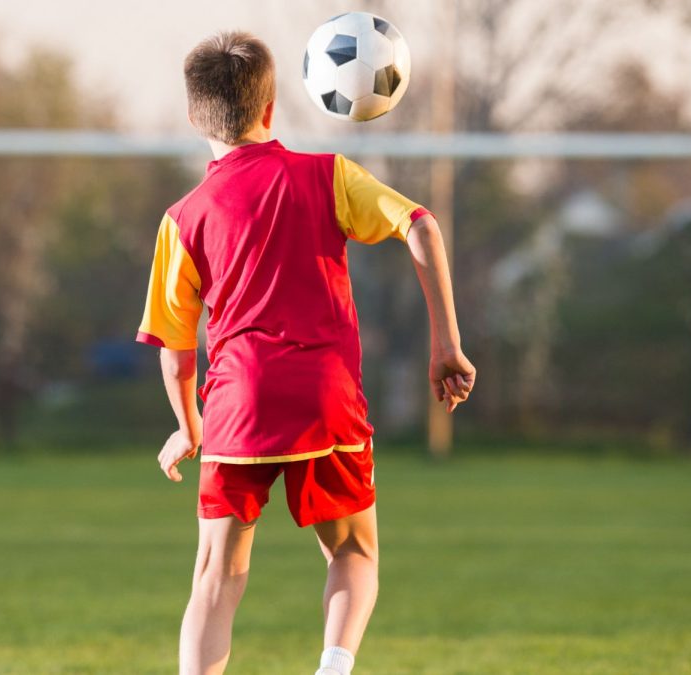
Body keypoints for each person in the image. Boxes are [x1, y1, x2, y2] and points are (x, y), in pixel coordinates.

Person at [135, 31, 476, 675]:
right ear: (271, 108)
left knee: (216, 576)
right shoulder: (329, 175)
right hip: (325, 398)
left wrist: (189, 427)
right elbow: (422, 226)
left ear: (193, 116)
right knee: (354, 554)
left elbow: (177, 353)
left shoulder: (182, 217)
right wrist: (446, 345)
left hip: (237, 405)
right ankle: (334, 666)